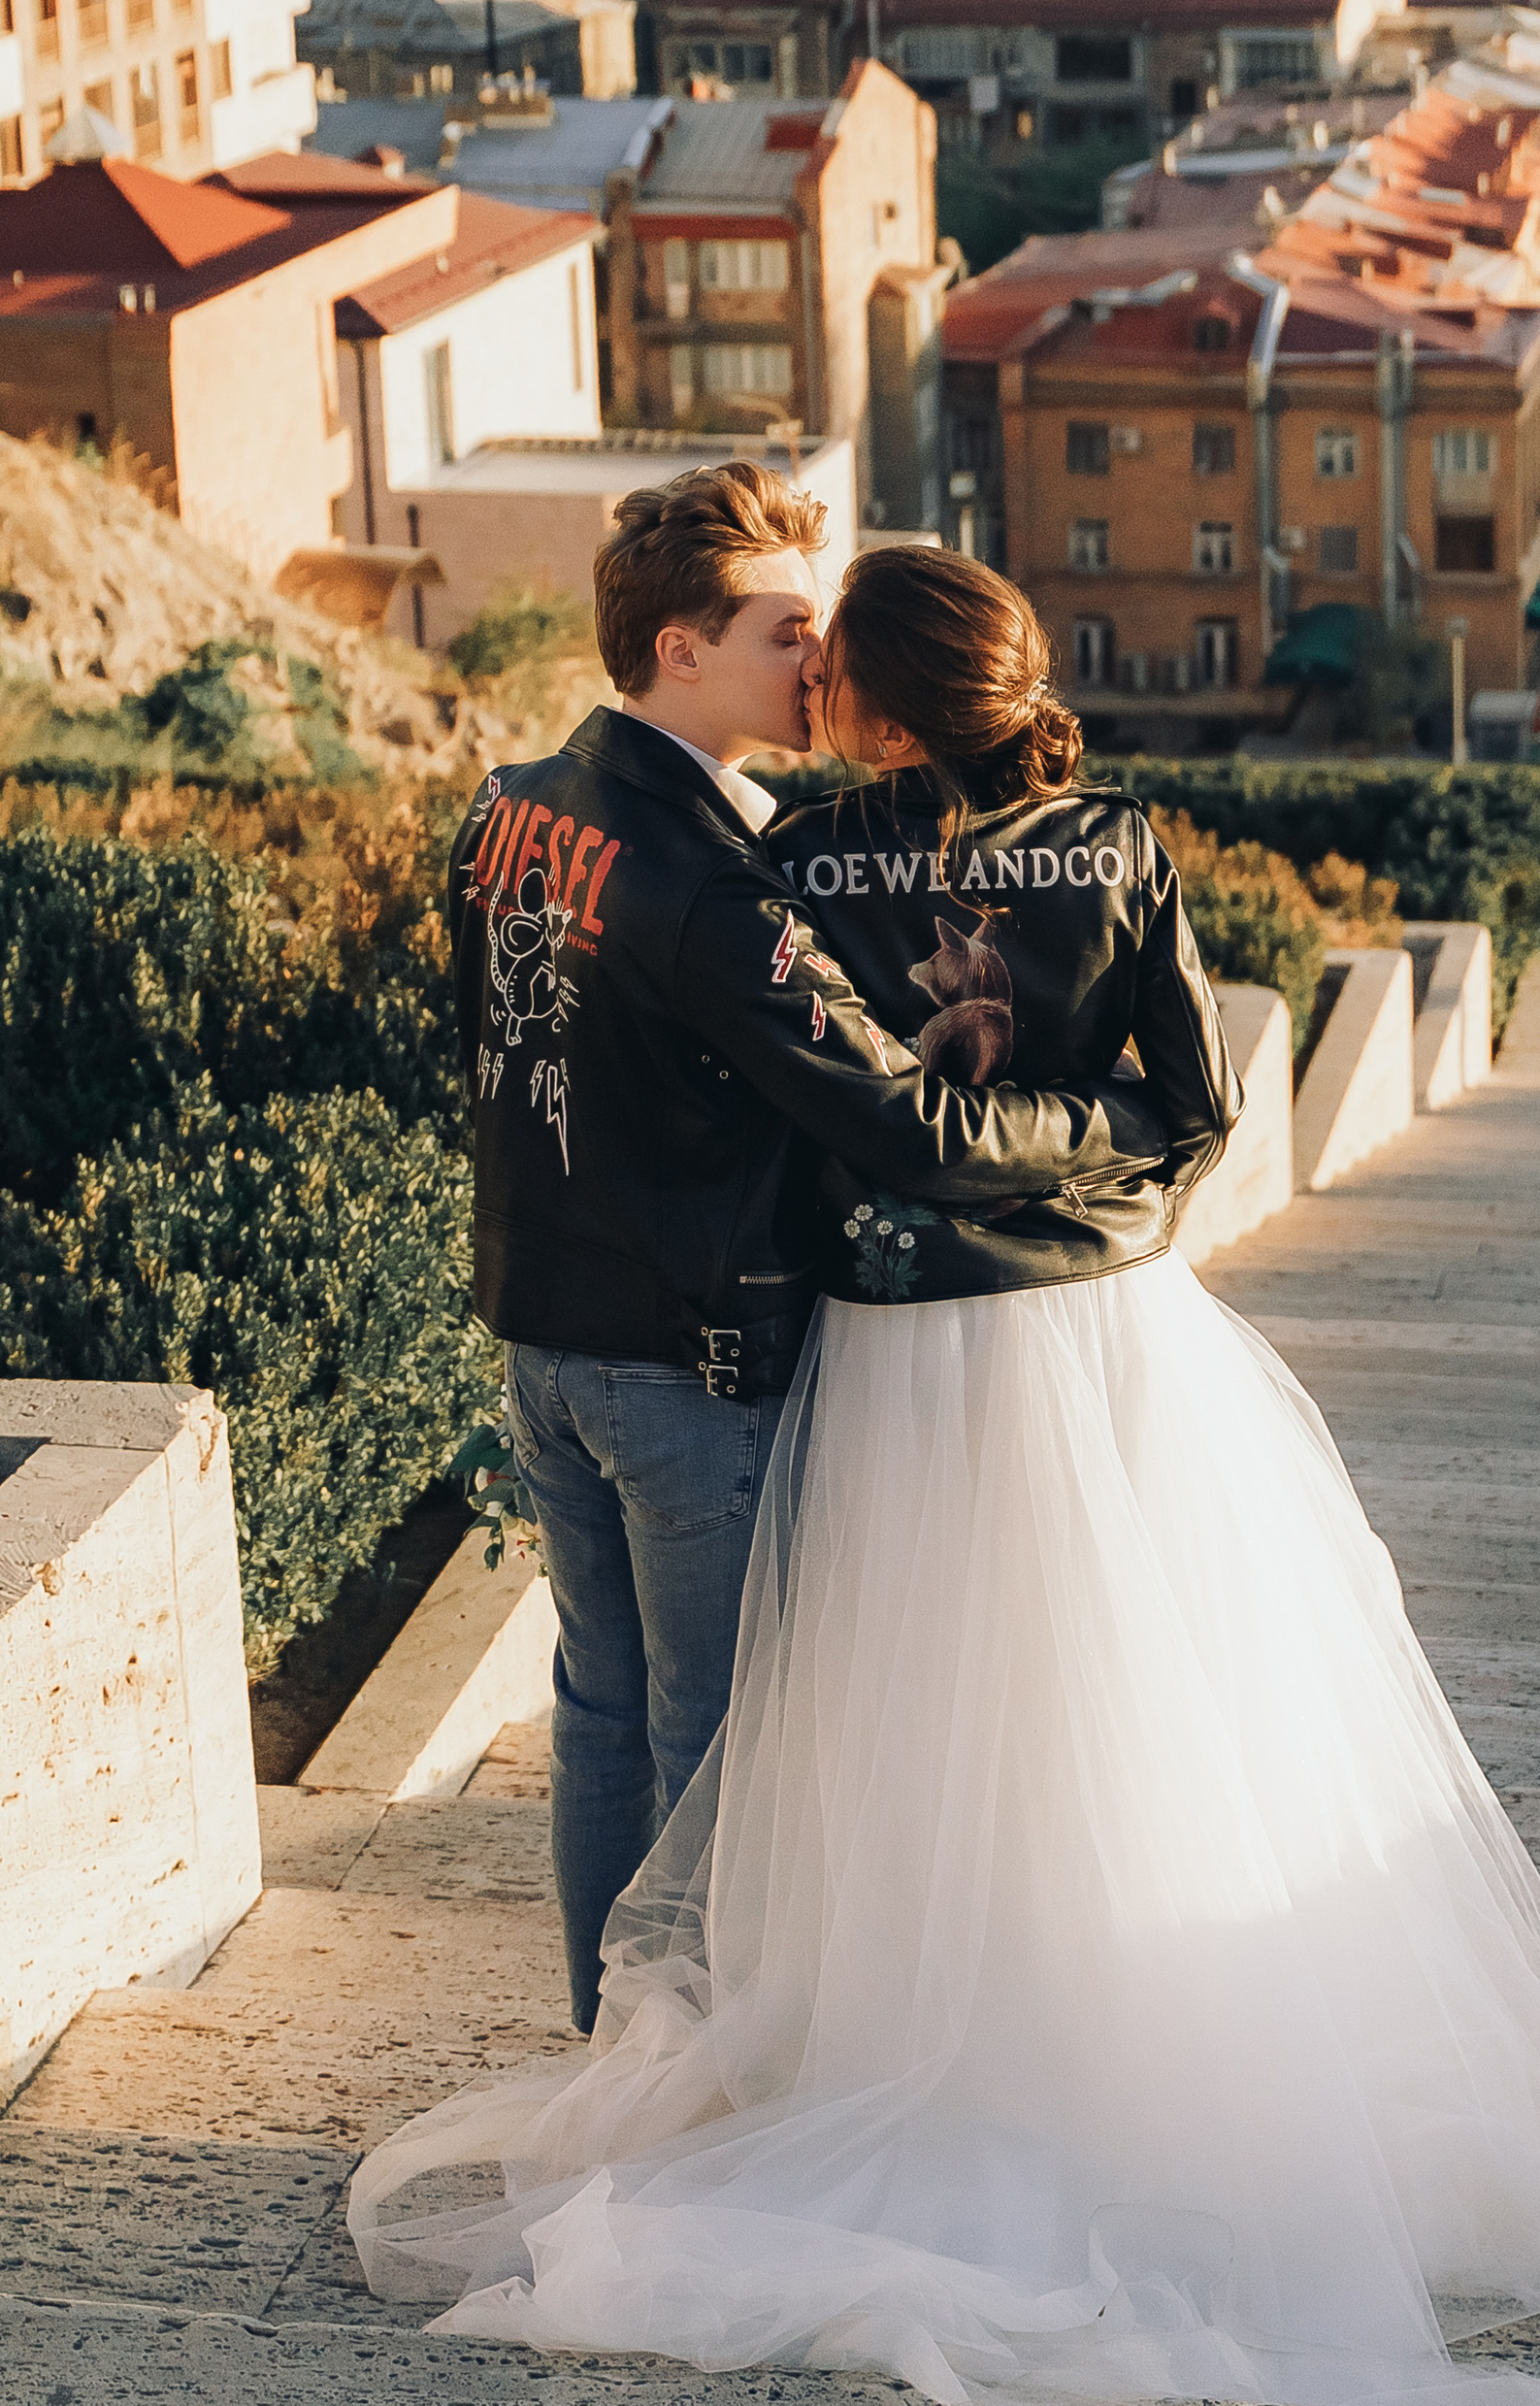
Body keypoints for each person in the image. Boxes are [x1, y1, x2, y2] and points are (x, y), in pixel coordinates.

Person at [352, 550, 1540, 2400]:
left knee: (889, 1730)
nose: (810, 684)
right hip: (1098, 1330)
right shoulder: (1119, 844)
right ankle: (1121, 2060)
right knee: (1130, 1711)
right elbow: (1205, 1106)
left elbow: (833, 1116)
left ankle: (824, 2061)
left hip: (894, 1359)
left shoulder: (805, 863)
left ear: (889, 712)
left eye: (836, 670)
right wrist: (1096, 1172)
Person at [437, 465, 1164, 2032]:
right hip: (684, 1367)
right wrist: (1114, 1130)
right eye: (785, 633)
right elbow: (902, 1120)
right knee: (720, 1743)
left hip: (539, 1340)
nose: (820, 666)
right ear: (680, 652)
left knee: (601, 1714)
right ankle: (692, 2081)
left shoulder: (506, 810)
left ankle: (610, 2043)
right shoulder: (717, 891)